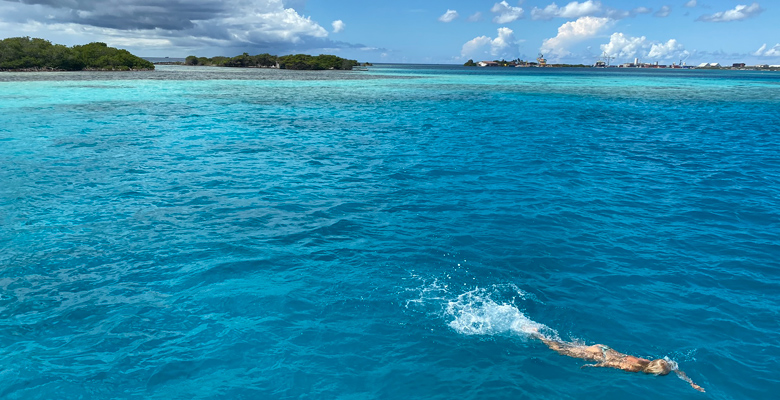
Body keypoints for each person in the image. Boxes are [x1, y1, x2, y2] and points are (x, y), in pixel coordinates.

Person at [529, 330, 705, 392]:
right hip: (601, 355)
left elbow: (675, 368)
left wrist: (691, 383)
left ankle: (542, 335)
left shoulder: (650, 361)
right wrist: (592, 365)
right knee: (560, 350)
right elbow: (612, 364)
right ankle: (535, 333)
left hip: (605, 348)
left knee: (569, 346)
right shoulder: (633, 368)